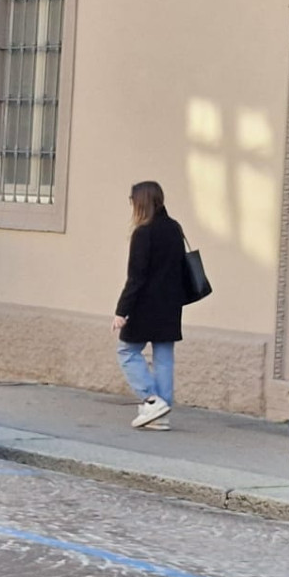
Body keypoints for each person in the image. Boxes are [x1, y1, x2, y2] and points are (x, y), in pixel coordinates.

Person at [112, 181, 188, 431]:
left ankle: (151, 400)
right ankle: (161, 413)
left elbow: (136, 276)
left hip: (145, 305)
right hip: (171, 304)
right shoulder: (174, 228)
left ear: (140, 203)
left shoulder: (143, 233)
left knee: (127, 351)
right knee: (164, 358)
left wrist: (122, 311)